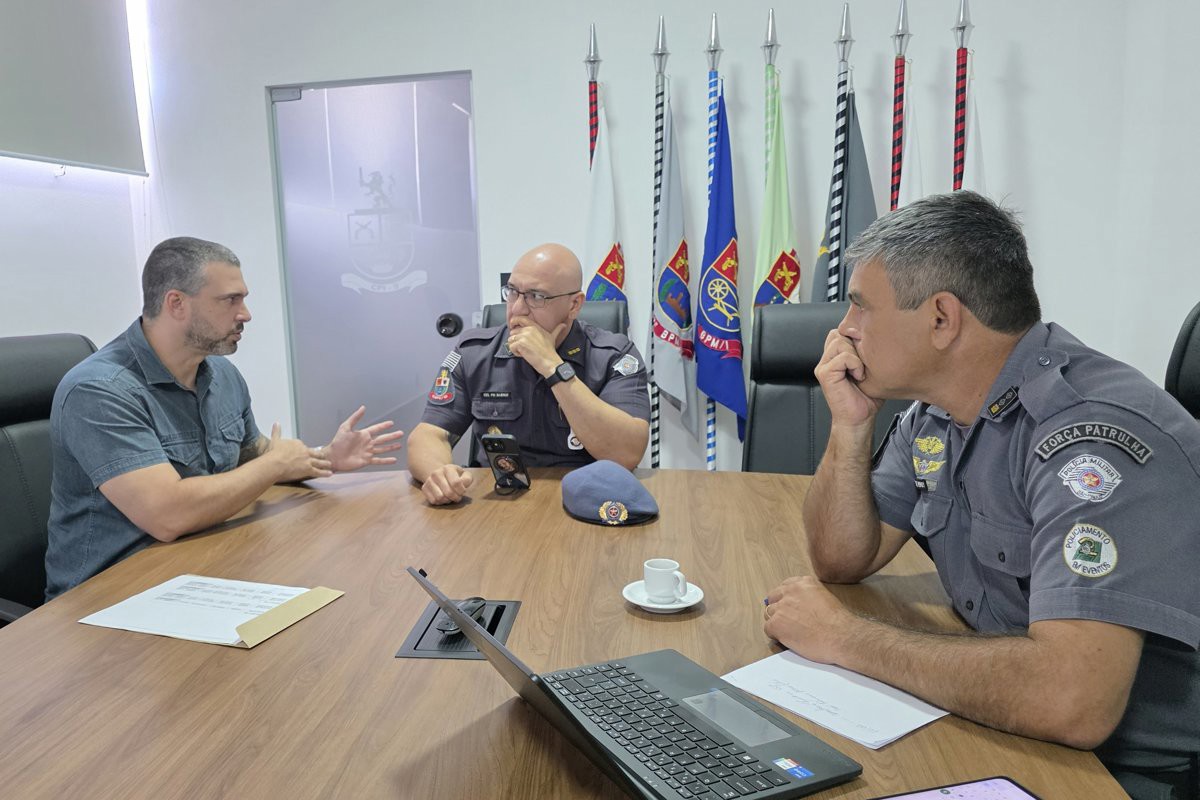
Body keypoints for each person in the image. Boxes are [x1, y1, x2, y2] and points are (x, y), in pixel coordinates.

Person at [762, 192, 1200, 799]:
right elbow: (841, 558)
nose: (844, 331)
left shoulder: (1090, 441)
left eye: (860, 306)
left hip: (1123, 771)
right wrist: (851, 426)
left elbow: (1072, 700)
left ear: (942, 319)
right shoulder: (935, 414)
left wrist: (846, 638)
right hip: (999, 716)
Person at [45, 237, 404, 599]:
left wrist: (324, 458)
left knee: (341, 586)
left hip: (200, 568)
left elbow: (252, 456)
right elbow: (167, 515)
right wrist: (276, 464)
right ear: (176, 303)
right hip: (109, 596)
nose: (245, 314)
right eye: (230, 300)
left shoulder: (220, 373)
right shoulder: (100, 391)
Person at [408, 242, 649, 505]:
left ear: (574, 304)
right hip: (498, 501)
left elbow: (626, 454)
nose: (517, 309)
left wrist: (552, 366)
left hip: (585, 502)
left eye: (537, 296)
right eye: (512, 292)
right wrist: (438, 473)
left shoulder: (614, 356)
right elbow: (428, 434)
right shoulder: (474, 353)